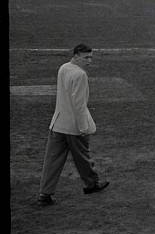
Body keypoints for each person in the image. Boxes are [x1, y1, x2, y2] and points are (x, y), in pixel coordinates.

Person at [37, 44, 109, 206]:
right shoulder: (80, 75)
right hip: (73, 126)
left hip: (57, 124)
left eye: (90, 57)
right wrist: (83, 127)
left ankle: (45, 194)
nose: (89, 61)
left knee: (52, 161)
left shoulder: (63, 68)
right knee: (83, 157)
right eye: (86, 58)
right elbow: (79, 104)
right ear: (76, 56)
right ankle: (91, 184)